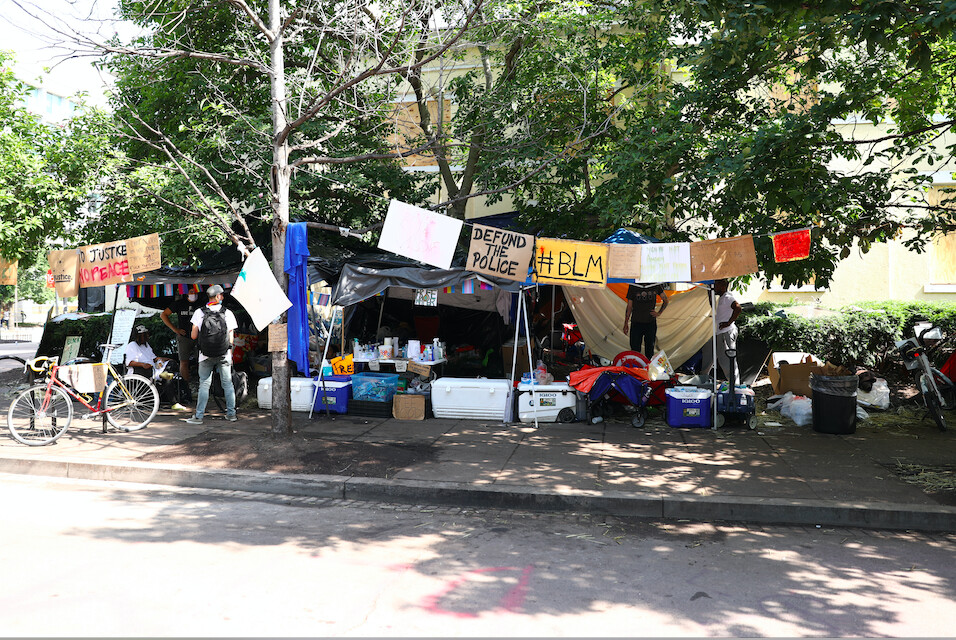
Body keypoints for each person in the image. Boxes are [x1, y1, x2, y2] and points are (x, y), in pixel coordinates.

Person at [185, 285, 238, 424]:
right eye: (222, 294)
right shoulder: (228, 313)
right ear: (218, 296)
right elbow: (231, 336)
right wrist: (228, 352)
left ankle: (199, 416)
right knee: (228, 384)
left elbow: (193, 335)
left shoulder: (199, 312)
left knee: (204, 384)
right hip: (224, 354)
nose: (223, 297)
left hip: (205, 355)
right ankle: (231, 414)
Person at [161, 291, 200, 382]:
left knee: (202, 362)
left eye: (194, 292)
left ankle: (202, 384)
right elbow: (163, 315)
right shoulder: (179, 303)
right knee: (184, 361)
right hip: (184, 336)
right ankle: (185, 386)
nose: (193, 294)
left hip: (199, 337)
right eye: (191, 292)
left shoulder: (200, 303)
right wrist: (175, 329)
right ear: (186, 293)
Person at [623, 283, 669, 359]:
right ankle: (636, 369)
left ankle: (648, 368)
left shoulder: (655, 285)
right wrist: (626, 323)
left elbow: (666, 300)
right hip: (636, 323)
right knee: (635, 351)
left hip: (650, 323)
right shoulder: (633, 286)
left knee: (649, 351)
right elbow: (629, 307)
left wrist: (659, 313)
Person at [714, 278, 742, 383]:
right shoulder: (722, 298)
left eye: (716, 285)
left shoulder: (727, 297)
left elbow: (738, 308)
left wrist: (728, 323)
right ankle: (733, 385)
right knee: (724, 360)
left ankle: (735, 386)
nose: (714, 287)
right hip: (722, 332)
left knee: (728, 360)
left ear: (722, 286)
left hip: (727, 332)